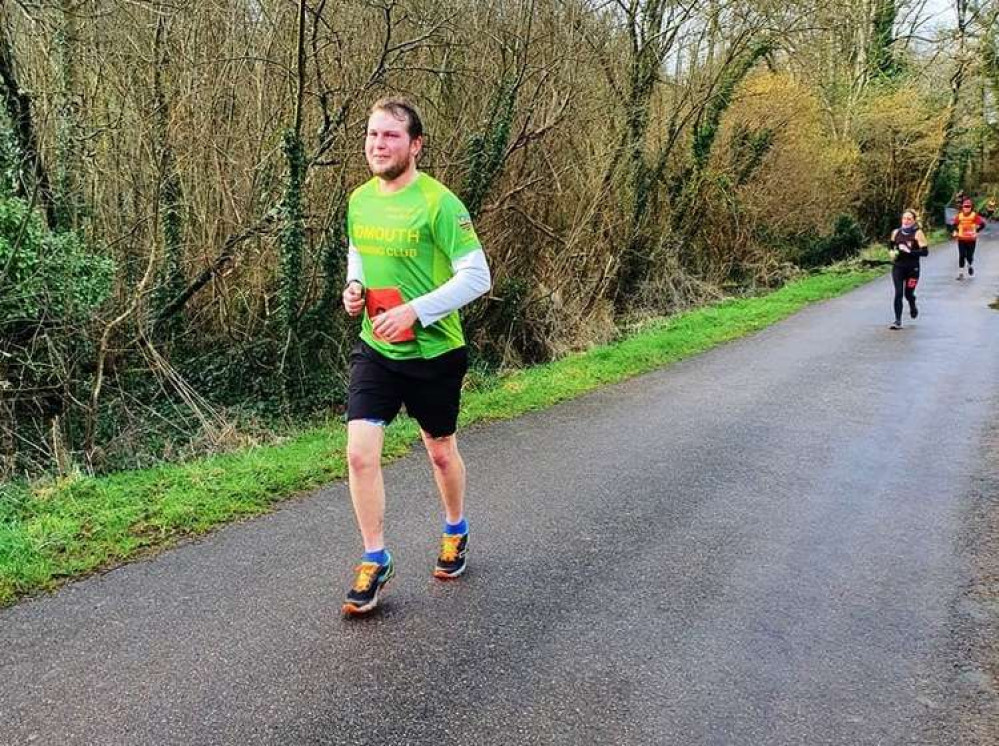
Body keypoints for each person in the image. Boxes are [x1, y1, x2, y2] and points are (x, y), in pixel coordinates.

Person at [340, 96, 491, 616]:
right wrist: (354, 285)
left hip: (434, 352)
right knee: (360, 452)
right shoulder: (359, 200)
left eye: (390, 136)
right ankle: (375, 557)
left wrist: (416, 312)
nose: (378, 145)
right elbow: (358, 250)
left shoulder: (441, 204)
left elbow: (477, 276)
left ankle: (455, 528)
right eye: (372, 135)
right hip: (376, 347)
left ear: (416, 145)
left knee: (441, 451)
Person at [887, 209, 929, 330]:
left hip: (913, 269)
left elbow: (925, 252)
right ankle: (897, 321)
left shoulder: (918, 233)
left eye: (909, 219)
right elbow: (890, 245)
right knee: (898, 293)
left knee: (908, 294)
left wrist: (909, 251)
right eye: (904, 218)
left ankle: (912, 303)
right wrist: (892, 253)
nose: (906, 221)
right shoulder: (896, 232)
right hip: (898, 267)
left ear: (914, 221)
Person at [950, 198, 986, 279]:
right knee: (962, 255)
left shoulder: (974, 215)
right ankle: (961, 274)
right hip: (961, 238)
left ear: (971, 207)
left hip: (971, 239)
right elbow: (954, 225)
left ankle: (969, 265)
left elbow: (983, 224)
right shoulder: (959, 216)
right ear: (962, 207)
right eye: (965, 206)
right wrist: (955, 231)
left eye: (968, 206)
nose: (966, 208)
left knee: (969, 256)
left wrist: (977, 231)